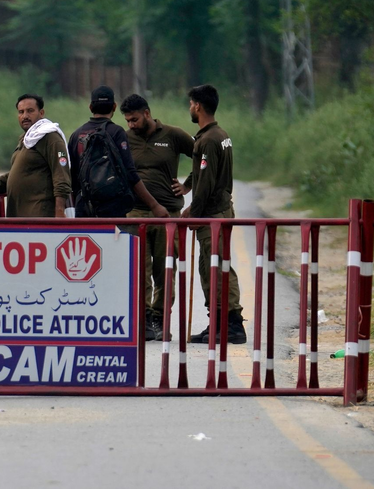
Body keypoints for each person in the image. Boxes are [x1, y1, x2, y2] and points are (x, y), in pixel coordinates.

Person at [120, 94, 194, 341]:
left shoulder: (172, 135)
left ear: (147, 113)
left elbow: (204, 156)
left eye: (134, 119)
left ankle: (159, 317)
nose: (131, 125)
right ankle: (144, 318)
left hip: (167, 213)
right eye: (128, 121)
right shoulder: (125, 139)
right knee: (139, 270)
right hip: (135, 213)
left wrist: (188, 185)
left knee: (165, 270)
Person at [181, 84, 246, 344]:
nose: (189, 108)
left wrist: (193, 214)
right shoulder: (219, 134)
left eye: (190, 104)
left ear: (198, 105)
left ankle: (232, 325)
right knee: (211, 269)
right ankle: (217, 324)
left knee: (218, 269)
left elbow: (206, 183)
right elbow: (202, 173)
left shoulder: (208, 139)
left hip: (213, 216)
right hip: (220, 211)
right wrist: (186, 185)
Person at [0, 94, 71, 217]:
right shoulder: (26, 140)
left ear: (41, 113)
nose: (25, 116)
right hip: (19, 217)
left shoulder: (50, 137)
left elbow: (61, 177)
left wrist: (59, 212)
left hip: (40, 216)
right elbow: (11, 179)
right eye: (21, 112)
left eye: (30, 111)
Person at [68, 86, 169, 219]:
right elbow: (130, 173)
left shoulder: (76, 135)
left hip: (84, 207)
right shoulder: (116, 132)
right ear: (114, 107)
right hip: (112, 207)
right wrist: (154, 205)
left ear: (91, 107)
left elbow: (72, 177)